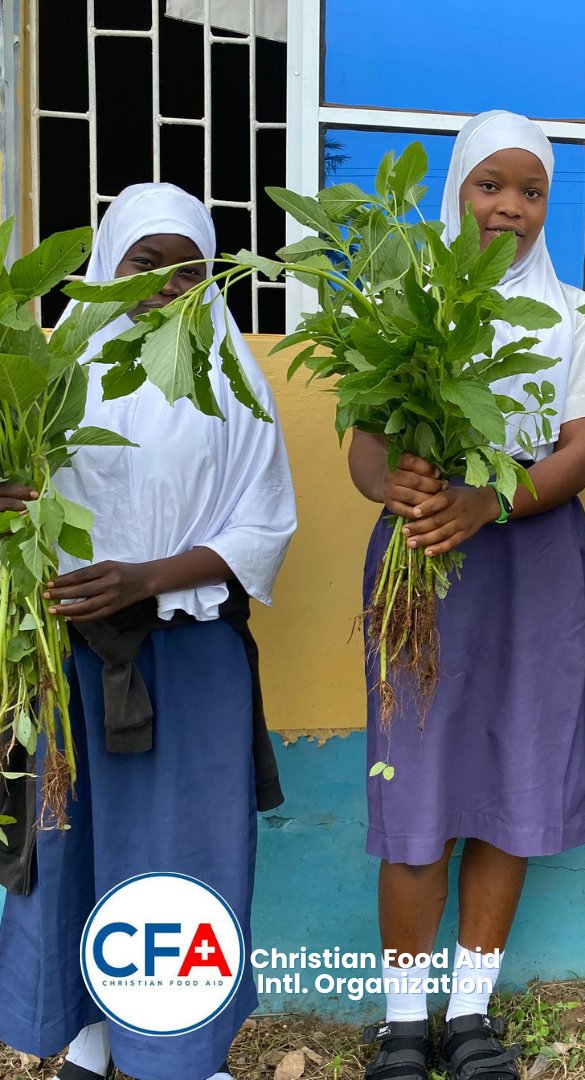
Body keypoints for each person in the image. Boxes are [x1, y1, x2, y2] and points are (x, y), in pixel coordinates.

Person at [0, 182, 297, 1080]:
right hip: (74, 655)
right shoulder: (52, 379)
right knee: (70, 843)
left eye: (190, 272)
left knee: (187, 853)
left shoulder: (231, 380)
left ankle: (186, 1054)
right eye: (143, 263)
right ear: (100, 270)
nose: (166, 287)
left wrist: (148, 576)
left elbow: (266, 525)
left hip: (189, 656)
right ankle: (89, 1045)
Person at [347, 111, 585, 1080]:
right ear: (455, 190)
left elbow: (579, 456)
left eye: (532, 191)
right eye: (489, 185)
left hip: (532, 569)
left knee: (514, 786)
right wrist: (403, 489)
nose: (510, 206)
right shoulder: (403, 306)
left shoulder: (578, 316)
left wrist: (483, 502)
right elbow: (363, 446)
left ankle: (468, 1014)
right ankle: (402, 1022)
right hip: (425, 564)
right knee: (416, 788)